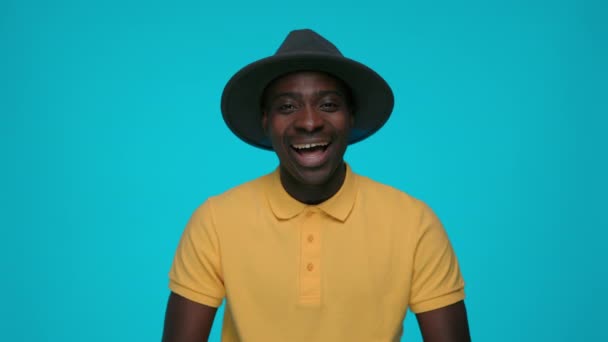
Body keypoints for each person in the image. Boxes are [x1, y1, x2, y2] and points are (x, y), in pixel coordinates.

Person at [162, 29, 470, 342]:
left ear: (351, 116)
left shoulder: (413, 223)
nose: (309, 122)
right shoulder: (216, 220)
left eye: (328, 104)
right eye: (287, 107)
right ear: (265, 121)